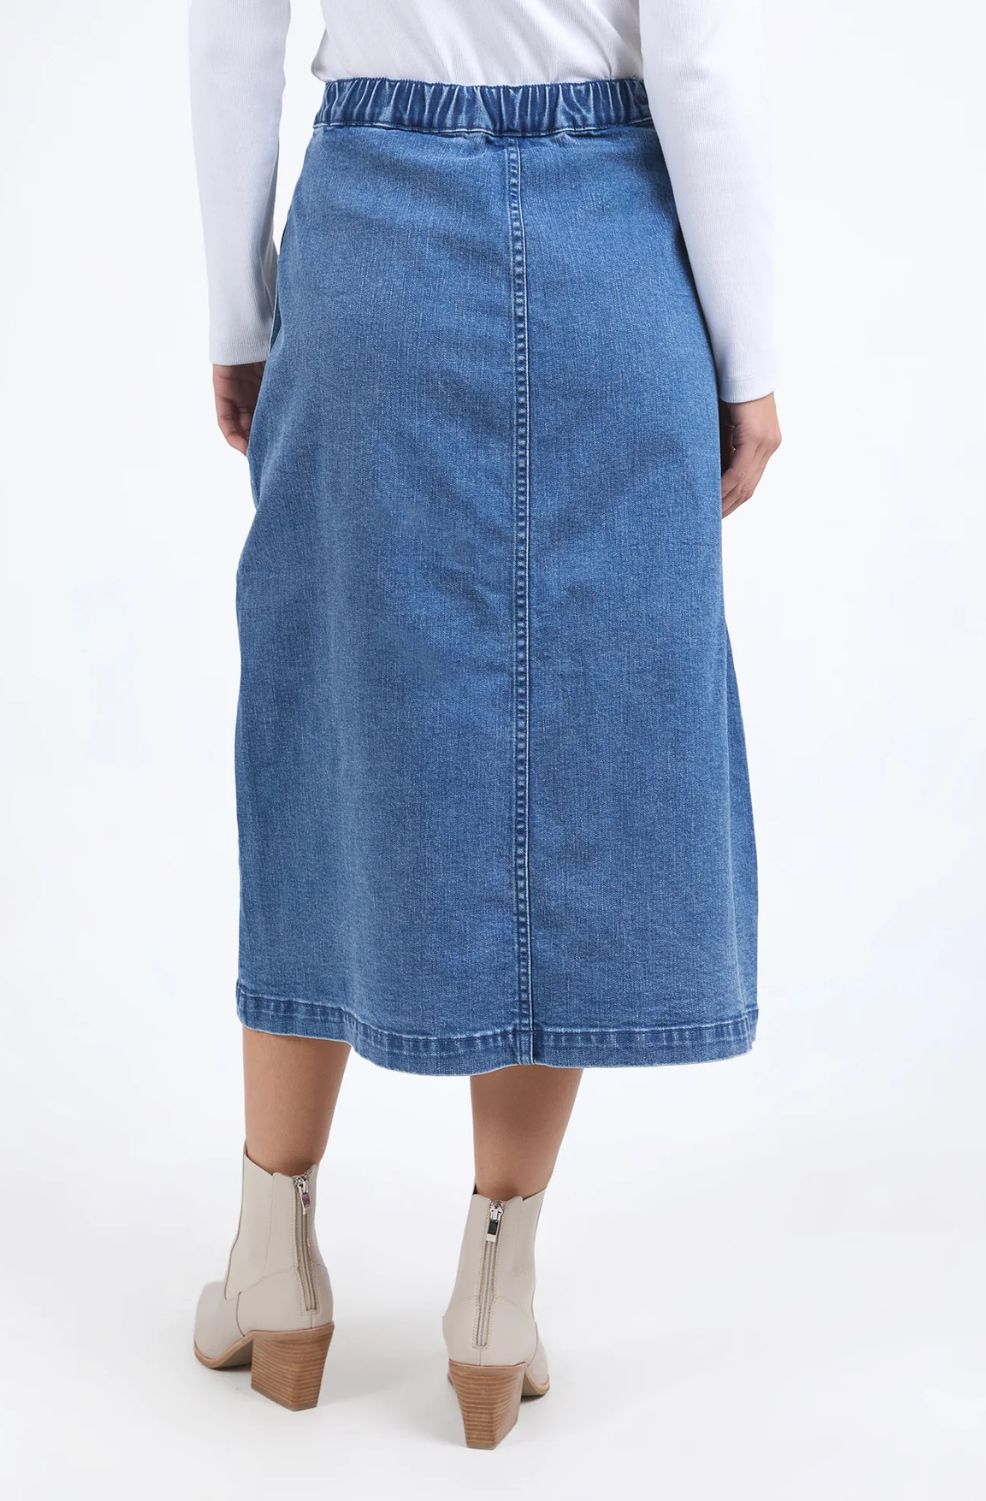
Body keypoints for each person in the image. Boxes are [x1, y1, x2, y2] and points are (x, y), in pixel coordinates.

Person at [187, 0, 781, 1448]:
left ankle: (273, 1263)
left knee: (324, 743)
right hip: (609, 245)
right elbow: (695, 57)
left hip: (371, 240)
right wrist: (747, 357)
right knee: (573, 753)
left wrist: (240, 314)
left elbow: (229, 37)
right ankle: (495, 1298)